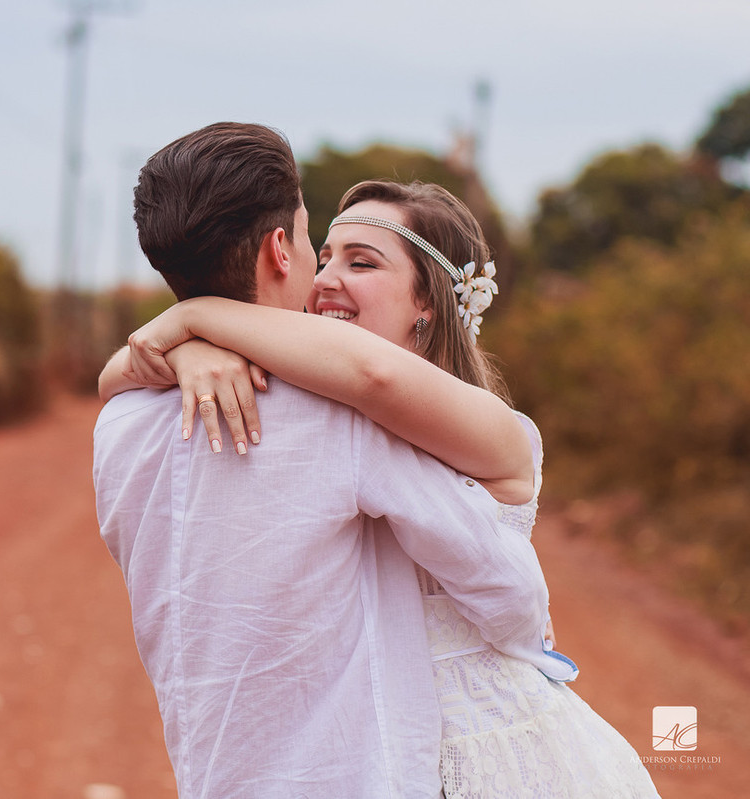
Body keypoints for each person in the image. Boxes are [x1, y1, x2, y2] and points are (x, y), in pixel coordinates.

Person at [106, 178, 660, 797]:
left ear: (427, 301)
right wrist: (188, 351)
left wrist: (195, 316)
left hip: (480, 746)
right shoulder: (320, 411)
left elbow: (376, 379)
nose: (323, 279)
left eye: (362, 262)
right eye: (326, 255)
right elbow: (115, 384)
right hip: (368, 756)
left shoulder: (493, 428)